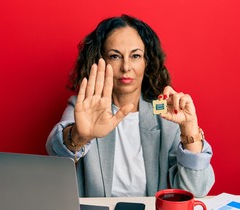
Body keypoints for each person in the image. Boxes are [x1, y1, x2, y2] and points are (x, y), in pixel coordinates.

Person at [46, 14, 214, 197]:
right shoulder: (86, 107)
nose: (126, 67)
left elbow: (195, 191)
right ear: (100, 61)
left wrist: (189, 131)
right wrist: (79, 136)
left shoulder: (165, 112)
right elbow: (55, 154)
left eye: (135, 56)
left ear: (146, 62)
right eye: (115, 56)